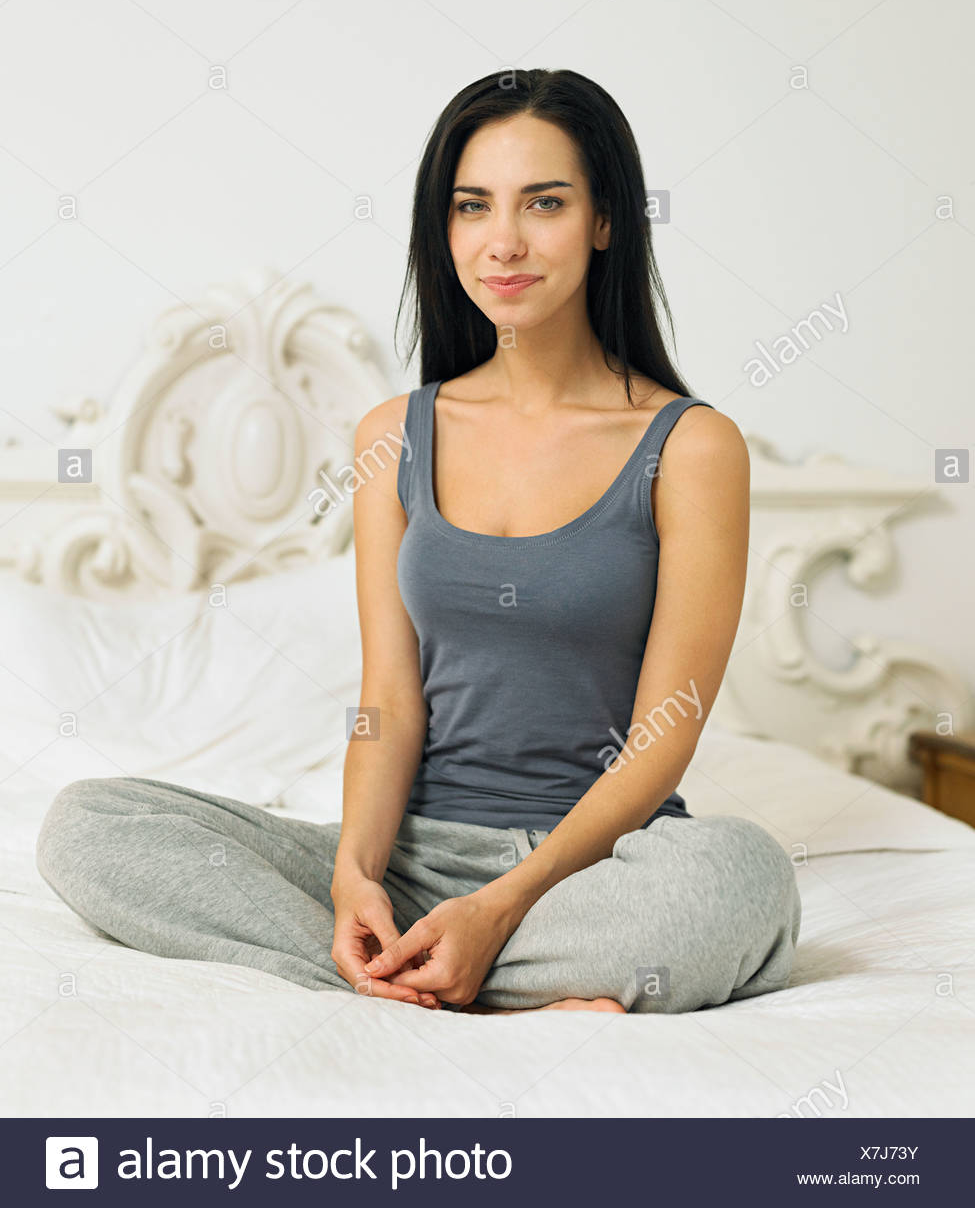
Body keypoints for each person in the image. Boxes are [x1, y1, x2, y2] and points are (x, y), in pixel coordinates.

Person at [35, 68, 801, 1016]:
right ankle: (441, 971)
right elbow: (387, 704)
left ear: (605, 222)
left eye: (545, 203)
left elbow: (663, 734)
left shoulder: (690, 446)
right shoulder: (393, 436)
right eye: (471, 206)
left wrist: (500, 907)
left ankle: (446, 970)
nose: (503, 241)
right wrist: (354, 875)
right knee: (88, 824)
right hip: (413, 857)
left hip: (595, 868)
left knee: (742, 878)